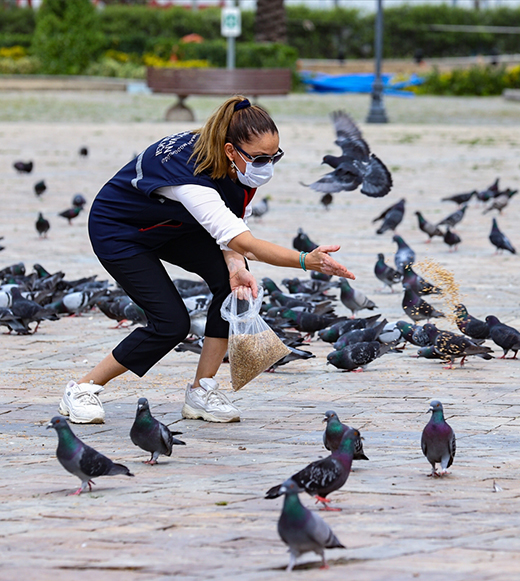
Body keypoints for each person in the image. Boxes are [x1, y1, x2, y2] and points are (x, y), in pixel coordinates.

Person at [59, 96, 354, 425]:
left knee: (234, 289)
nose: (267, 166)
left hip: (177, 225)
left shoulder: (236, 168)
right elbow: (245, 242)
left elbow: (231, 230)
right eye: (260, 159)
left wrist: (235, 266)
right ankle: (83, 388)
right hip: (119, 229)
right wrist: (304, 260)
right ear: (231, 151)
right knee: (171, 323)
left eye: (275, 157)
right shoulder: (190, 173)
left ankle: (201, 392)